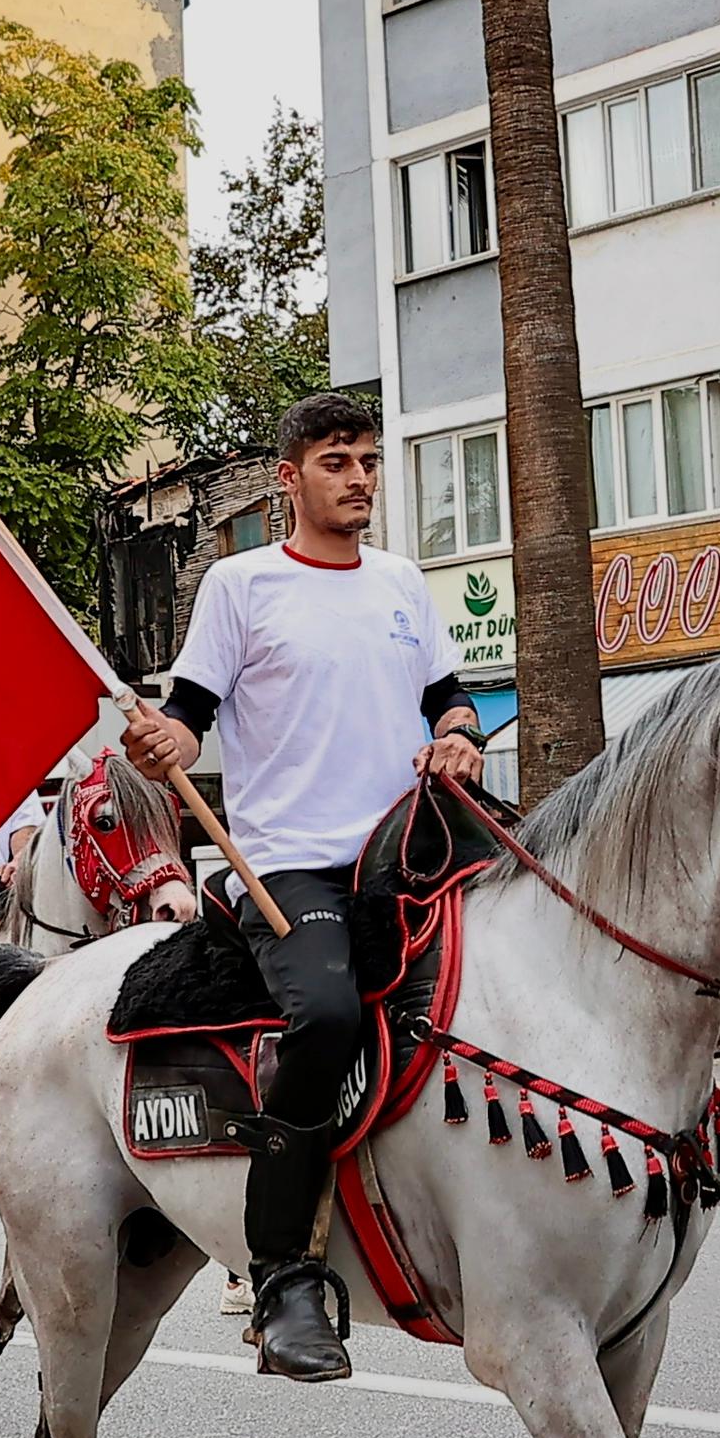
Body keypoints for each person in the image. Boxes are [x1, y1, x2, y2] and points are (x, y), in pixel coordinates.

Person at [113, 391, 490, 1384]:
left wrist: (458, 734)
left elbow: (447, 695)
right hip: (289, 865)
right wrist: (168, 743)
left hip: (407, 849)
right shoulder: (241, 587)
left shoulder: (403, 584)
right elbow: (189, 713)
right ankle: (283, 1279)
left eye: (367, 459)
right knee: (321, 1018)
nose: (359, 476)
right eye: (336, 462)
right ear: (289, 480)